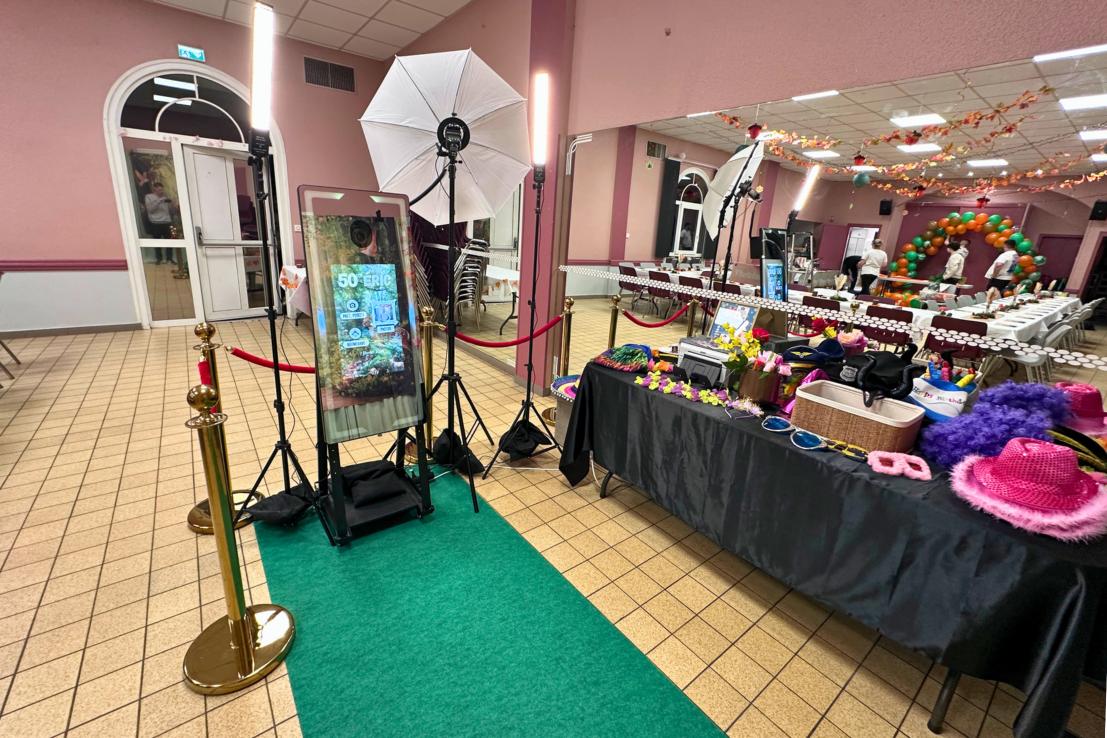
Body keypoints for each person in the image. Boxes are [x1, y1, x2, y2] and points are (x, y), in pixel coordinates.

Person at [143, 182, 175, 264]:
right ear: (154, 189)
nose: (161, 191)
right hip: (155, 223)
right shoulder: (149, 197)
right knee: (157, 242)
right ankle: (159, 259)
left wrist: (172, 204)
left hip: (167, 222)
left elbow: (171, 211)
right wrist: (159, 201)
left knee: (169, 241)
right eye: (159, 189)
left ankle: (169, 259)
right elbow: (150, 210)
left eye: (162, 189)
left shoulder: (165, 197)